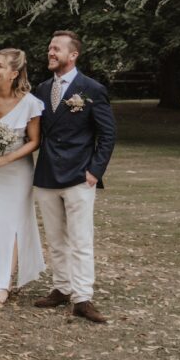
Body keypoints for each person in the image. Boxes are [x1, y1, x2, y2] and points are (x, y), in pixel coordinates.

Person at [32, 31, 116, 323]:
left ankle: (83, 298)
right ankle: (61, 287)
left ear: (73, 54)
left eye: (56, 49)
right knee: (55, 239)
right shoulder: (41, 89)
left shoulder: (91, 89)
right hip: (46, 175)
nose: (50, 53)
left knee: (80, 240)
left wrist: (95, 170)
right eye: (49, 48)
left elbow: (107, 133)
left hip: (80, 175)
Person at [0, 48, 45, 307]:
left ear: (14, 73)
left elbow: (35, 141)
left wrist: (7, 158)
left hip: (16, 172)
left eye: (0, 66)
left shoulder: (30, 103)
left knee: (12, 226)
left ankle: (3, 283)